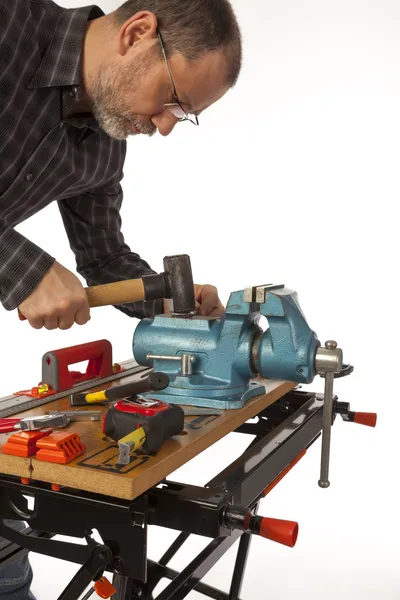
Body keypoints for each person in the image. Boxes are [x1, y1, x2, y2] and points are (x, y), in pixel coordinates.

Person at [0, 0, 242, 595]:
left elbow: (104, 260)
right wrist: (22, 269)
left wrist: (171, 306)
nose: (163, 126)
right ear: (137, 34)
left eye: (182, 117)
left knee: (4, 556)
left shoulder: (104, 143)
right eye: (172, 99)